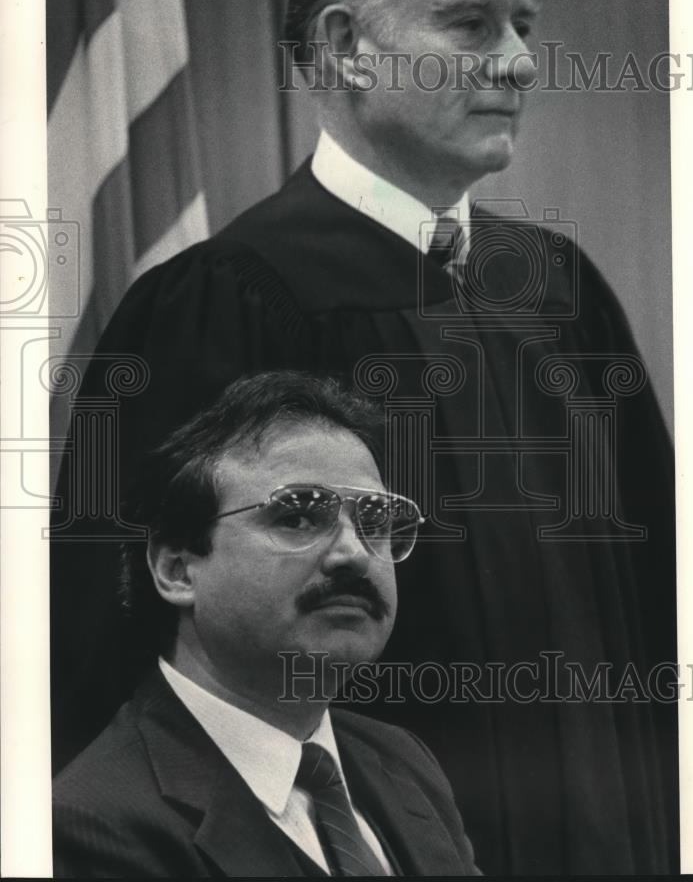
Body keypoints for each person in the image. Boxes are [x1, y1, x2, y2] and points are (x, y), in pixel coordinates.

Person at [51, 0, 678, 875]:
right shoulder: (227, 299)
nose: (516, 61)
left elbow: (656, 610)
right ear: (346, 47)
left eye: (524, 28)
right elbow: (122, 649)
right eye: (470, 25)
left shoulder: (560, 293)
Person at [52, 371, 479, 877]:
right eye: (297, 517)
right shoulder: (93, 825)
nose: (353, 555)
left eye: (375, 522)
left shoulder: (401, 760)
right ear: (177, 571)